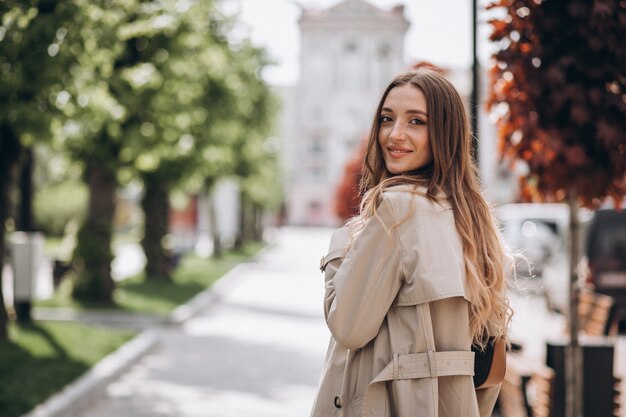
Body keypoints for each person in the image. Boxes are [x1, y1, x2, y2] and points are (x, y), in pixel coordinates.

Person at [310, 69, 512, 417]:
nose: (395, 134)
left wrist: (347, 239)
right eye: (387, 119)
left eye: (416, 121)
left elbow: (348, 326)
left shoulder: (399, 210)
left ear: (444, 133)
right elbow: (487, 369)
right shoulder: (473, 221)